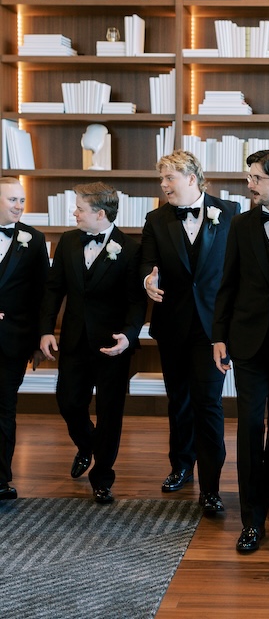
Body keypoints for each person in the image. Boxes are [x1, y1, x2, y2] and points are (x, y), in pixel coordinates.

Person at [213, 150, 269, 553]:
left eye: (256, 179)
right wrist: (219, 337)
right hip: (246, 339)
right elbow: (227, 283)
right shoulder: (240, 224)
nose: (248, 184)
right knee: (249, 425)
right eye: (249, 176)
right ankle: (252, 517)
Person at [141, 150, 239, 515]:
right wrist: (149, 279)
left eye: (170, 178)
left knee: (208, 403)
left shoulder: (230, 212)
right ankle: (181, 465)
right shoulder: (155, 219)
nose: (164, 185)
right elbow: (147, 262)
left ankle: (211, 487)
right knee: (178, 400)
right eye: (161, 179)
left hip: (216, 329)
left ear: (192, 178)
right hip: (173, 325)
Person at [39, 182, 146, 504]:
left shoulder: (130, 249)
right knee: (68, 401)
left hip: (112, 345)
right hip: (72, 341)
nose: (74, 213)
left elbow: (136, 302)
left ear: (100, 213)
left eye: (79, 209)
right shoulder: (68, 241)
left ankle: (103, 478)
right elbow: (53, 290)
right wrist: (46, 330)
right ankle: (87, 444)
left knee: (110, 413)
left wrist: (128, 335)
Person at [0, 177, 49, 501]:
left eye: (21, 200)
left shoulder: (34, 239)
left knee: (4, 409)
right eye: (12, 200)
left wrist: (38, 340)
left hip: (12, 341)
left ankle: (1, 479)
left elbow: (42, 295)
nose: (19, 206)